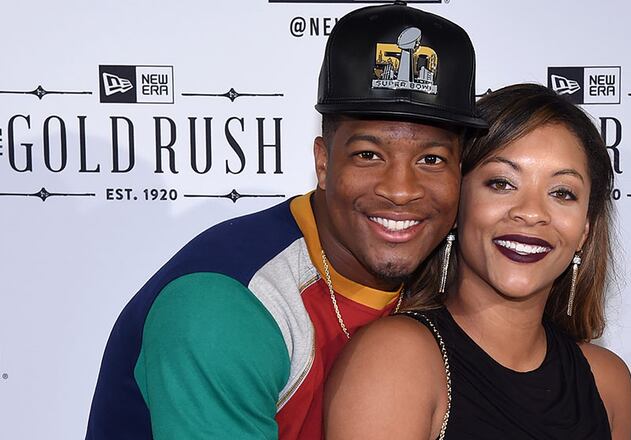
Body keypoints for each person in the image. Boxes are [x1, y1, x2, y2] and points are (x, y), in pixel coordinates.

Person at [85, 3, 487, 439]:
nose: (400, 189)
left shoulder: (458, 275)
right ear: (323, 161)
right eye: (368, 155)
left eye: (431, 159)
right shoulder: (224, 306)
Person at [325, 83, 631, 440]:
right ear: (458, 203)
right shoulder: (397, 359)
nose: (531, 213)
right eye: (502, 183)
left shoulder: (607, 381)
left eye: (562, 193)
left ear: (584, 229)